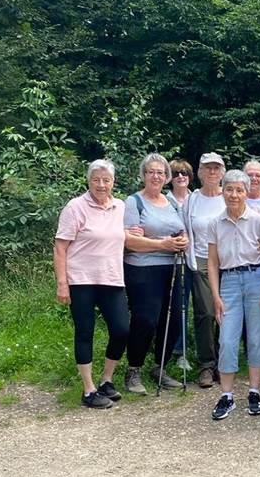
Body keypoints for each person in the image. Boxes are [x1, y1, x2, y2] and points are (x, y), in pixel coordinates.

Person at [53, 160, 130, 408]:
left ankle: (107, 380)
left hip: (112, 278)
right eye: (96, 179)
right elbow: (60, 247)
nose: (101, 184)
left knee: (121, 330)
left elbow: (122, 236)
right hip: (81, 280)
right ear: (88, 181)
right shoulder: (75, 207)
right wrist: (62, 283)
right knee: (84, 332)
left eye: (106, 180)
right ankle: (88, 390)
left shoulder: (120, 206)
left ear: (113, 182)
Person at [207, 170, 260, 420]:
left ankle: (254, 391)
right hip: (229, 281)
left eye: (239, 190)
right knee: (227, 339)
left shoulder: (258, 220)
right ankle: (227, 395)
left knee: (256, 337)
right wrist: (216, 296)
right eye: (229, 189)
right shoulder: (215, 223)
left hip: (256, 277)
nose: (234, 195)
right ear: (223, 191)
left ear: (247, 193)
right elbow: (212, 263)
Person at [122, 153, 189, 394]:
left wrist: (183, 241)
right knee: (146, 319)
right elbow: (128, 241)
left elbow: (182, 231)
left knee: (171, 322)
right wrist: (161, 245)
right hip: (142, 269)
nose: (156, 176)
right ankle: (133, 369)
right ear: (143, 175)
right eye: (151, 172)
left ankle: (160, 366)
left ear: (166, 177)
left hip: (172, 267)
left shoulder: (171, 202)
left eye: (160, 172)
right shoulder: (134, 202)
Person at [183, 153, 227, 388]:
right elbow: (184, 228)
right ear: (199, 172)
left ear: (223, 172)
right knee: (206, 314)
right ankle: (207, 365)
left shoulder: (229, 195)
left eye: (216, 168)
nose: (212, 172)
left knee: (227, 314)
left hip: (227, 262)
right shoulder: (192, 200)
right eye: (207, 168)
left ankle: (224, 363)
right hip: (200, 261)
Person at [167, 158, 194, 363]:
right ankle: (178, 351)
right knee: (178, 305)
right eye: (175, 173)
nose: (180, 177)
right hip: (172, 260)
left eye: (184, 173)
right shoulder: (164, 201)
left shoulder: (197, 199)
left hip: (197, 258)